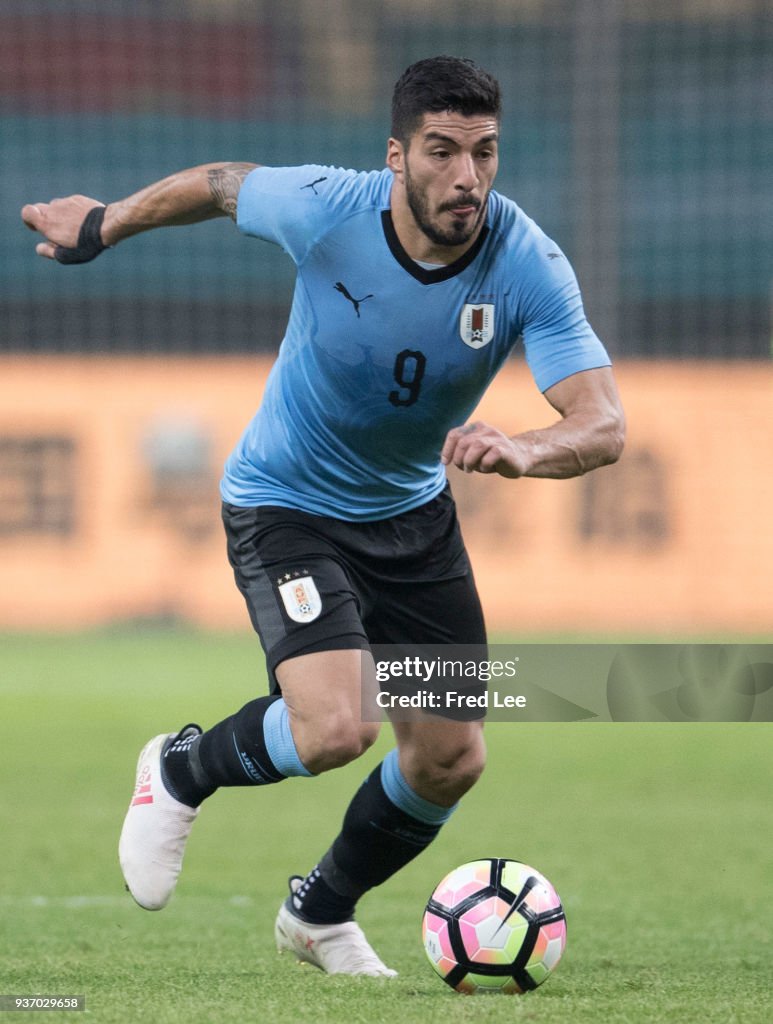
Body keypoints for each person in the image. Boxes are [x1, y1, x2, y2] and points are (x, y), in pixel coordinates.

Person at [21, 56, 625, 977]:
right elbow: (220, 187)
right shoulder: (325, 205)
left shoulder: (527, 262)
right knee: (336, 729)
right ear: (397, 156)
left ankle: (318, 914)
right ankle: (180, 769)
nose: (466, 177)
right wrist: (103, 224)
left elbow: (602, 424)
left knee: (450, 759)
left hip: (412, 517)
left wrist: (526, 449)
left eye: (484, 152)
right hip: (284, 502)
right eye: (442, 151)